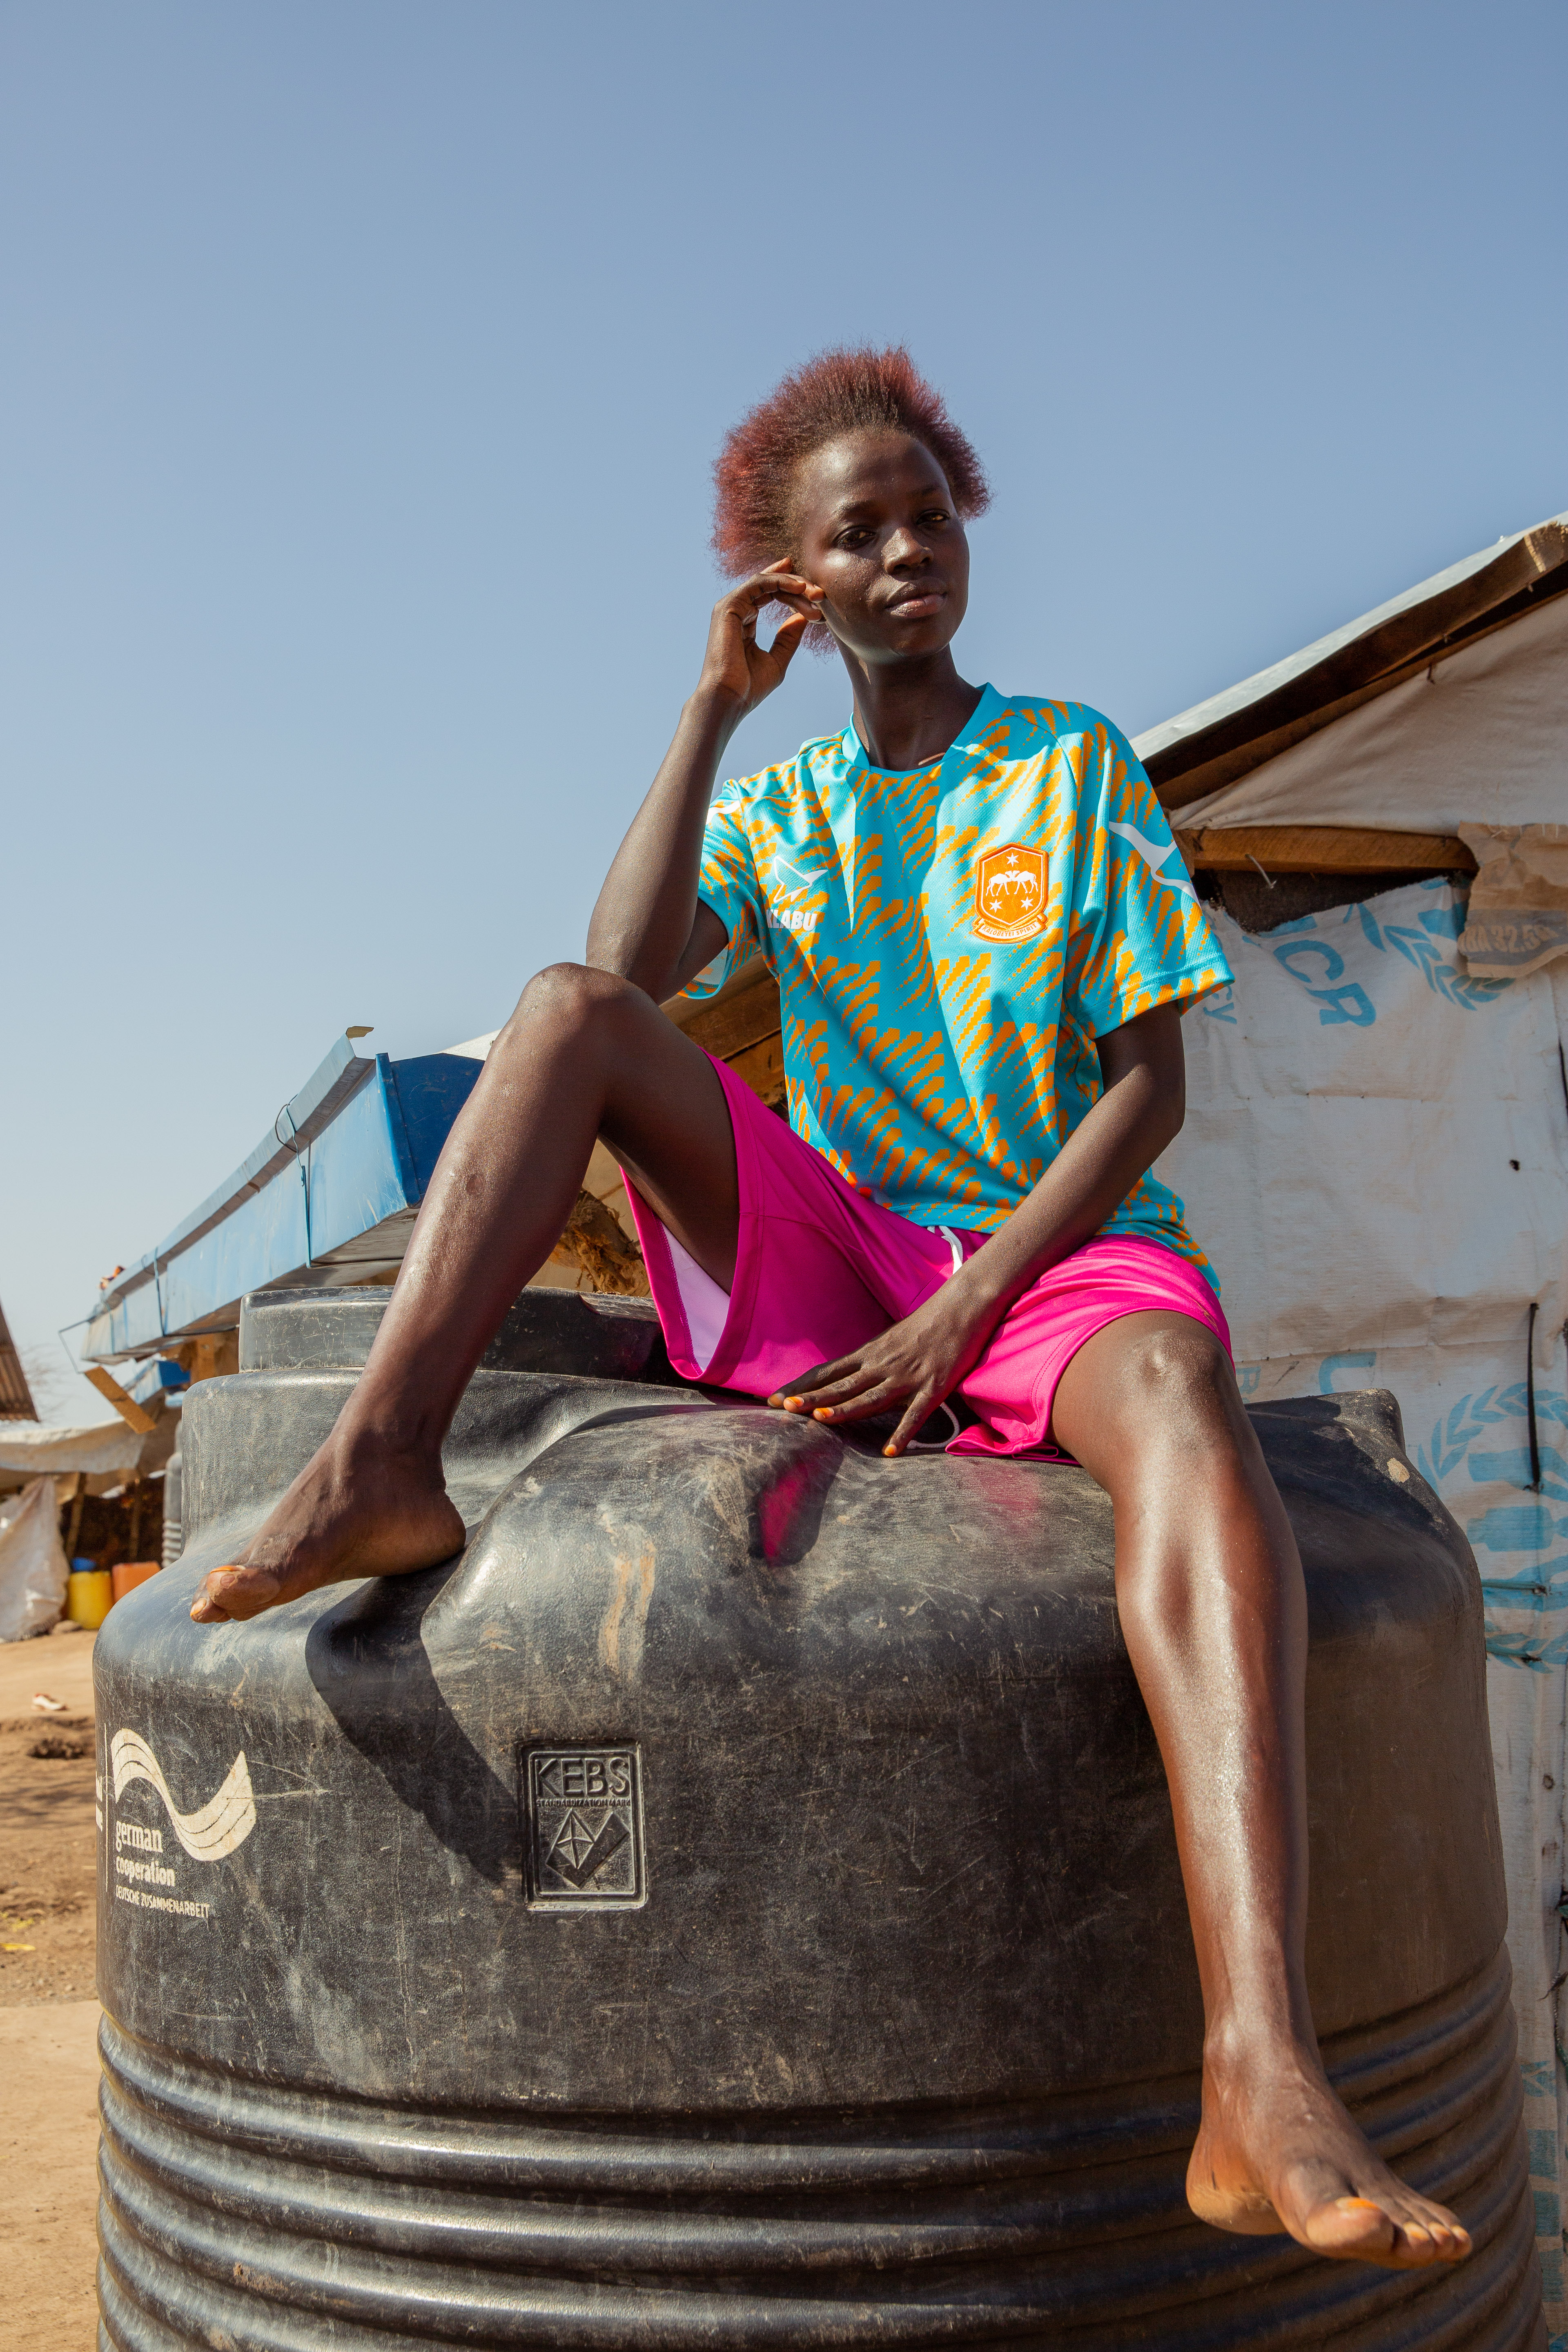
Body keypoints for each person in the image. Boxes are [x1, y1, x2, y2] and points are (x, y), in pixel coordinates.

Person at [191, 346, 1470, 2273]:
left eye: (927, 516)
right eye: (851, 535)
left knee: (1192, 1407)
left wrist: (976, 1315)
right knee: (554, 1011)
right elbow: (616, 982)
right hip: (846, 1237)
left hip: (1046, 1254)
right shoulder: (779, 810)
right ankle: (385, 1459)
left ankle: (1260, 2063)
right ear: (794, 585)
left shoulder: (1069, 760)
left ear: (969, 536)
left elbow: (1151, 1085)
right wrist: (707, 714)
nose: (901, 554)